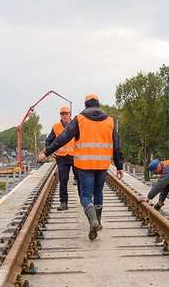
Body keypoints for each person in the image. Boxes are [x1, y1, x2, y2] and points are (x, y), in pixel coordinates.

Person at [38, 93, 124, 240]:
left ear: (85, 105)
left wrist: (46, 152)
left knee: (85, 196)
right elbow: (117, 146)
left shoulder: (80, 119)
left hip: (84, 165)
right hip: (103, 164)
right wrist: (119, 166)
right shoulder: (110, 121)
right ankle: (98, 221)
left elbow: (63, 138)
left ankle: (93, 220)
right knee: (98, 192)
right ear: (98, 103)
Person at [45, 106, 77, 210]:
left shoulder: (76, 125)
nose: (64, 116)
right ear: (60, 115)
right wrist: (51, 151)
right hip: (61, 157)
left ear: (70, 114)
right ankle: (63, 203)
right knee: (63, 180)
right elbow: (48, 141)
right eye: (62, 114)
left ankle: (84, 201)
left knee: (80, 179)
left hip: (75, 156)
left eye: (66, 113)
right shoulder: (56, 127)